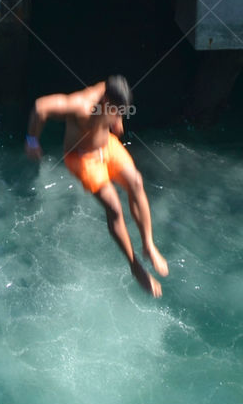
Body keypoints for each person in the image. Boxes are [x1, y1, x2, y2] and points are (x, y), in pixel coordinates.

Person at [24, 76, 168, 298]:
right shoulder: (79, 105)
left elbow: (117, 110)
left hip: (106, 146)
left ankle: (148, 244)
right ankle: (135, 266)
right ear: (106, 99)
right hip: (83, 158)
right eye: (116, 110)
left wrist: (117, 120)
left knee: (136, 182)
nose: (118, 114)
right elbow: (40, 106)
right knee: (114, 208)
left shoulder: (111, 92)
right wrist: (32, 139)